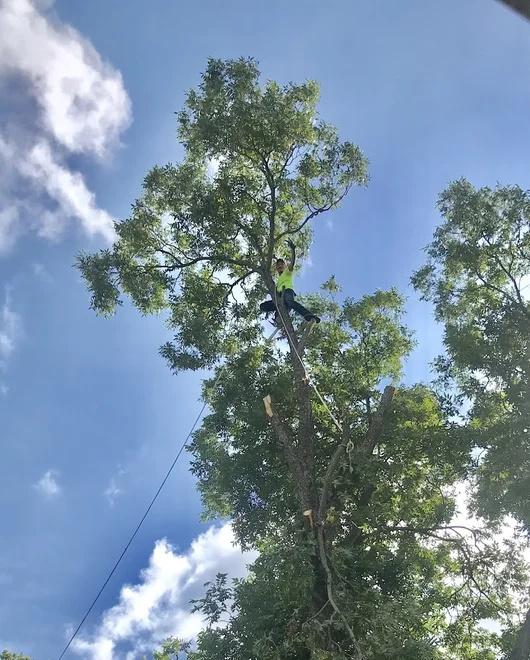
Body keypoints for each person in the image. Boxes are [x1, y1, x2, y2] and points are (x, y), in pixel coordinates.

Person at [260, 239, 321, 326]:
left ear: (285, 266)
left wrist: (293, 249)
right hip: (279, 297)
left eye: (282, 264)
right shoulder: (278, 280)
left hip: (287, 292)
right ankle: (278, 319)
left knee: (290, 302)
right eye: (278, 265)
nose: (280, 266)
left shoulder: (287, 272)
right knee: (263, 306)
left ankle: (309, 315)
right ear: (276, 268)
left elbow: (292, 263)